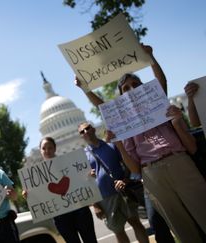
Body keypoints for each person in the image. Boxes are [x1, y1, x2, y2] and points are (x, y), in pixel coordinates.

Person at [78, 43, 206, 242]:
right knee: (181, 227)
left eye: (135, 85)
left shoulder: (160, 107)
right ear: (121, 98)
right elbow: (134, 167)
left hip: (180, 162)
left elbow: (161, 81)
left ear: (145, 88)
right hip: (151, 174)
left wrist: (150, 58)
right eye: (125, 88)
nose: (131, 90)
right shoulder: (124, 126)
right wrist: (85, 88)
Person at [78, 122, 149, 243]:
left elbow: (127, 166)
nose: (85, 132)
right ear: (81, 136)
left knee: (136, 223)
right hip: (105, 198)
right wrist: (95, 205)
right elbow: (85, 183)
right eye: (82, 132)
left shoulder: (111, 146)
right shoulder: (82, 157)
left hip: (123, 192)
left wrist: (124, 180)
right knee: (118, 231)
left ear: (93, 129)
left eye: (87, 128)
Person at [22, 137, 98, 243]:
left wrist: (90, 176)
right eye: (44, 148)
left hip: (80, 210)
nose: (47, 151)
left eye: (50, 148)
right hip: (60, 217)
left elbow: (83, 181)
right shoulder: (35, 176)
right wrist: (28, 196)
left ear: (55, 148)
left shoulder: (70, 163)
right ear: (40, 150)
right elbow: (40, 198)